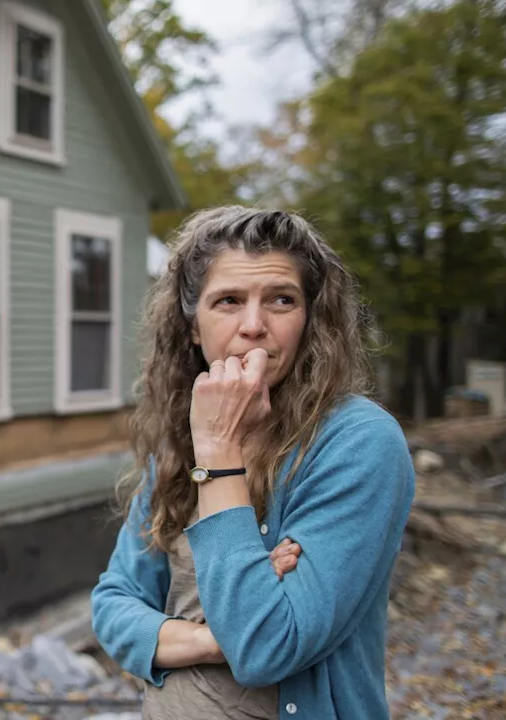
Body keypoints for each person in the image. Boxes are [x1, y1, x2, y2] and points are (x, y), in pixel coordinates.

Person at [90, 206, 415, 720]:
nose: (254, 326)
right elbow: (113, 604)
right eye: (228, 301)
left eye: (281, 300)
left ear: (311, 321)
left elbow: (266, 646)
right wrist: (211, 640)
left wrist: (218, 452)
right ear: (193, 327)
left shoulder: (357, 443)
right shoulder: (179, 442)